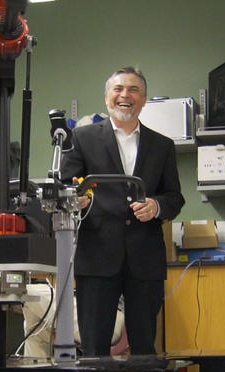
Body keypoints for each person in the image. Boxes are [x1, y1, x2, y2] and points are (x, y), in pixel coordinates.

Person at [60, 66, 185, 356]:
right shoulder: (82, 138)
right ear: (107, 97)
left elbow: (175, 197)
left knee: (144, 347)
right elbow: (67, 186)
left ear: (144, 99)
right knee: (94, 347)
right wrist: (77, 200)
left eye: (133, 90)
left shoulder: (162, 146)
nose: (125, 95)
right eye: (118, 89)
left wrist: (156, 206)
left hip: (145, 258)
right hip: (97, 255)